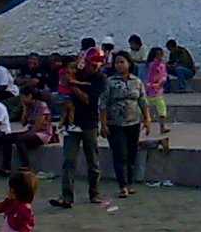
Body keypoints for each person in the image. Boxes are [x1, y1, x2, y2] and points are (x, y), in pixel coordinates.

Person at [54, 47, 107, 208]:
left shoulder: (100, 79)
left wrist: (73, 86)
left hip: (89, 123)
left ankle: (94, 193)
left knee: (93, 161)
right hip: (73, 123)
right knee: (69, 160)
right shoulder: (80, 73)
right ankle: (66, 196)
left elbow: (88, 100)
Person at [103, 52, 151, 199]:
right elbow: (103, 104)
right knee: (120, 154)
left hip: (133, 122)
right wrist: (103, 124)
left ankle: (129, 183)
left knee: (131, 153)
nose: (119, 65)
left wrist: (147, 119)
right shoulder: (110, 82)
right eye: (117, 63)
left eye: (122, 62)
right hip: (115, 123)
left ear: (129, 64)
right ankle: (122, 185)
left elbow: (143, 101)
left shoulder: (136, 82)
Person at [11, 87, 57, 170]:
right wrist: (24, 109)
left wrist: (27, 134)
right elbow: (23, 123)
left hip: (42, 133)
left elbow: (38, 125)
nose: (22, 99)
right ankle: (6, 166)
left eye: (23, 97)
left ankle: (26, 165)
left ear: (30, 96)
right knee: (8, 138)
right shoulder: (28, 106)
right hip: (30, 131)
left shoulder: (41, 105)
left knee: (20, 140)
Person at [145, 47, 172, 135]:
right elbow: (150, 78)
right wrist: (153, 85)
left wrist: (161, 83)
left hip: (158, 91)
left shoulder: (162, 65)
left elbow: (164, 75)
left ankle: (162, 127)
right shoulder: (153, 65)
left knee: (162, 110)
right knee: (142, 110)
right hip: (150, 90)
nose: (160, 58)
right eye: (158, 56)